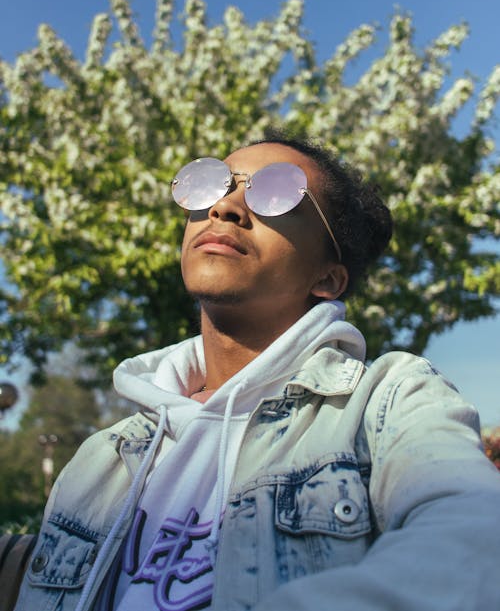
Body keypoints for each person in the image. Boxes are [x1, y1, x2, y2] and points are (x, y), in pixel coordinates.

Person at [14, 136, 500, 611]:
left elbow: (472, 533)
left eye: (277, 194)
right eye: (211, 185)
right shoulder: (102, 459)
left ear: (327, 278)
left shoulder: (388, 400)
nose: (225, 208)